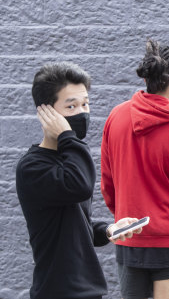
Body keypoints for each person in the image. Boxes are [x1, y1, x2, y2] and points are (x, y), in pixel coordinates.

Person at [17, 62, 142, 299]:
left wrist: (108, 229)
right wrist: (68, 136)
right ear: (47, 113)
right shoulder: (33, 167)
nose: (82, 112)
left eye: (85, 104)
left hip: (87, 290)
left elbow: (75, 223)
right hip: (57, 291)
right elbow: (80, 186)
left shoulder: (69, 159)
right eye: (71, 106)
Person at [101, 39, 169, 299]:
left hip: (131, 237)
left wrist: (124, 214)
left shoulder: (116, 118)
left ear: (146, 79)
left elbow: (108, 184)